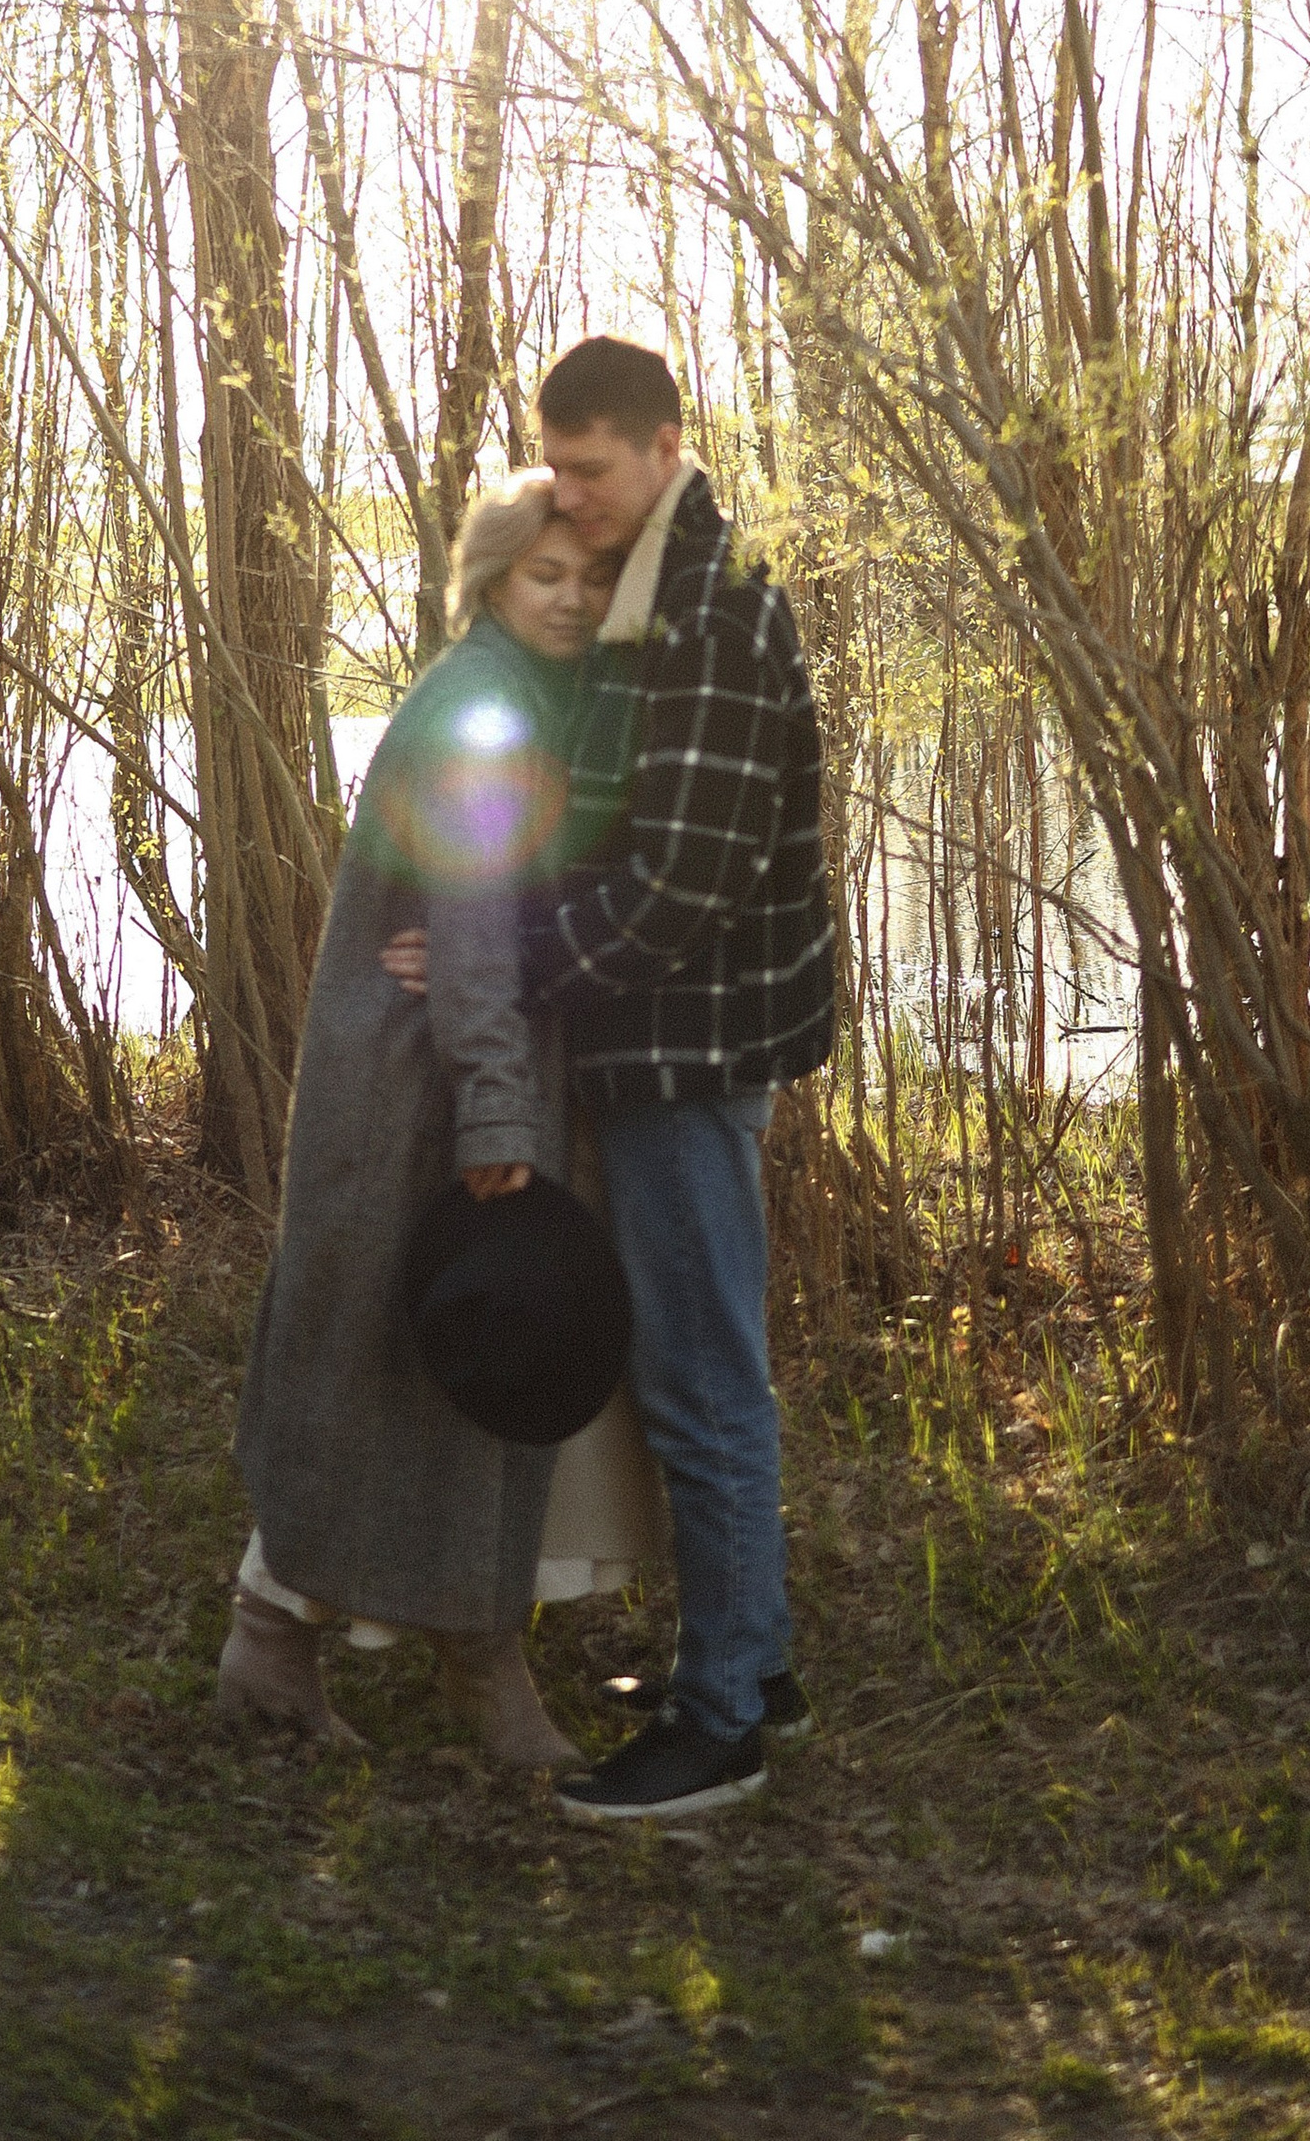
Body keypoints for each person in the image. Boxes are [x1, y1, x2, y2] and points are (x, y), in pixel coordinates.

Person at [387, 333, 833, 1820]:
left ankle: (724, 1726)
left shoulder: (710, 609)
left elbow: (681, 889)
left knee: (702, 1385)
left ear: (661, 448)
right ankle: (752, 1660)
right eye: (555, 469)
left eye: (588, 470)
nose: (567, 498)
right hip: (664, 1041)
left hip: (690, 1052)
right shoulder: (657, 591)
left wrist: (497, 956)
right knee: (700, 1370)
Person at [220, 472, 655, 1766]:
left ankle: (458, 1648)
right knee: (400, 1356)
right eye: (543, 577)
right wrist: (498, 1122)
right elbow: (466, 936)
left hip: (444, 1078)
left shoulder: (529, 698)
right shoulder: (481, 709)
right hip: (424, 1093)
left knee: (444, 1362)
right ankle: (289, 1644)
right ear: (491, 582)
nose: (569, 599)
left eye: (588, 578)